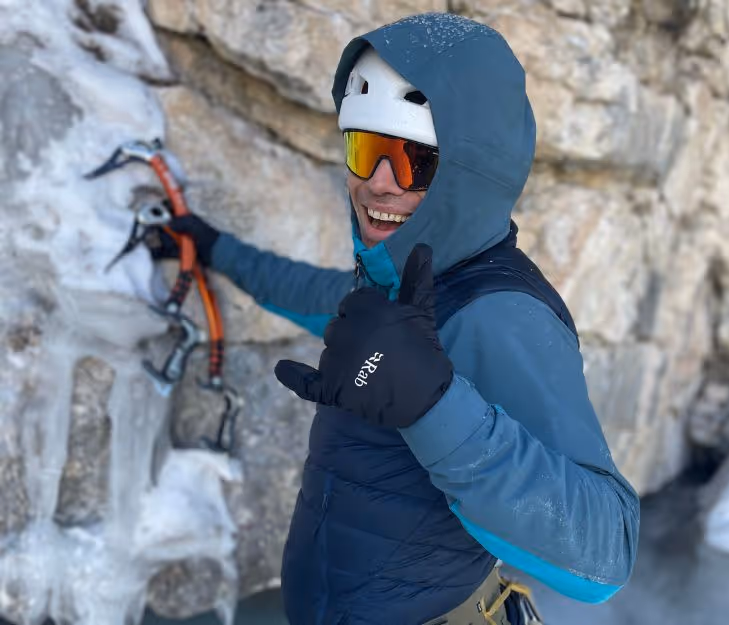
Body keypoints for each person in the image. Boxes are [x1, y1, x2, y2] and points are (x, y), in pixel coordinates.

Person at [151, 12, 640, 625]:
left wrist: (432, 405)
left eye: (414, 161)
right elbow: (310, 292)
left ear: (470, 170)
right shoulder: (401, 285)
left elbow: (608, 553)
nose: (377, 185)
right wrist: (213, 246)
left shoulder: (500, 312)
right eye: (366, 149)